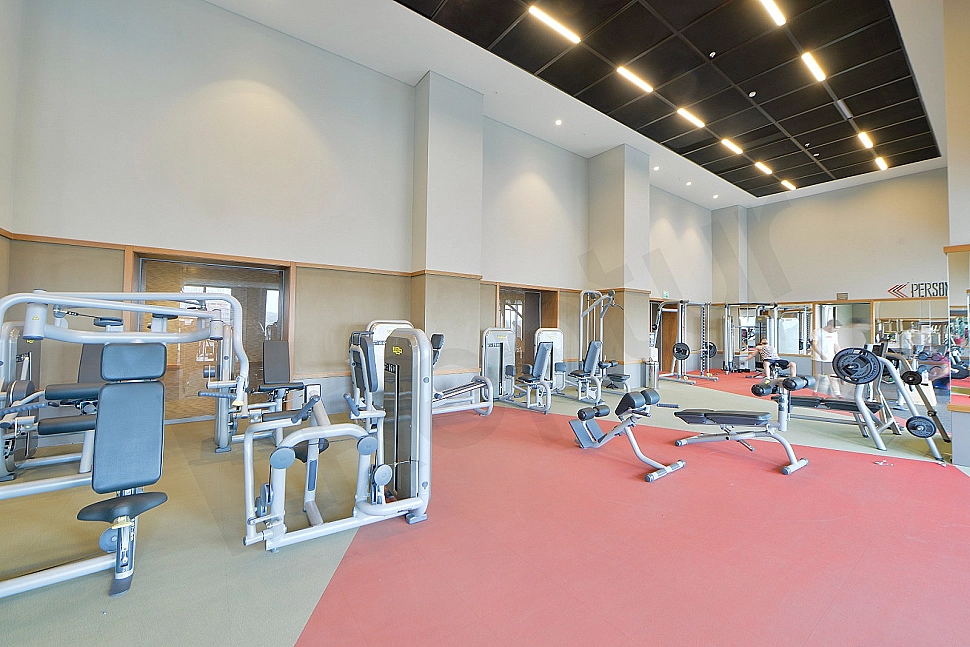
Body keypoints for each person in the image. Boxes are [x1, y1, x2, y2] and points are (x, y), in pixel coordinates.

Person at [812, 319, 842, 395]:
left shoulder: (835, 334)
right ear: (829, 326)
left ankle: (838, 394)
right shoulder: (817, 332)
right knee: (817, 377)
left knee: (832, 377)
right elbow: (814, 345)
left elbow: (836, 345)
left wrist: (840, 354)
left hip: (830, 358)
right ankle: (814, 391)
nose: (836, 330)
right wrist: (820, 354)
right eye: (835, 328)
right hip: (818, 358)